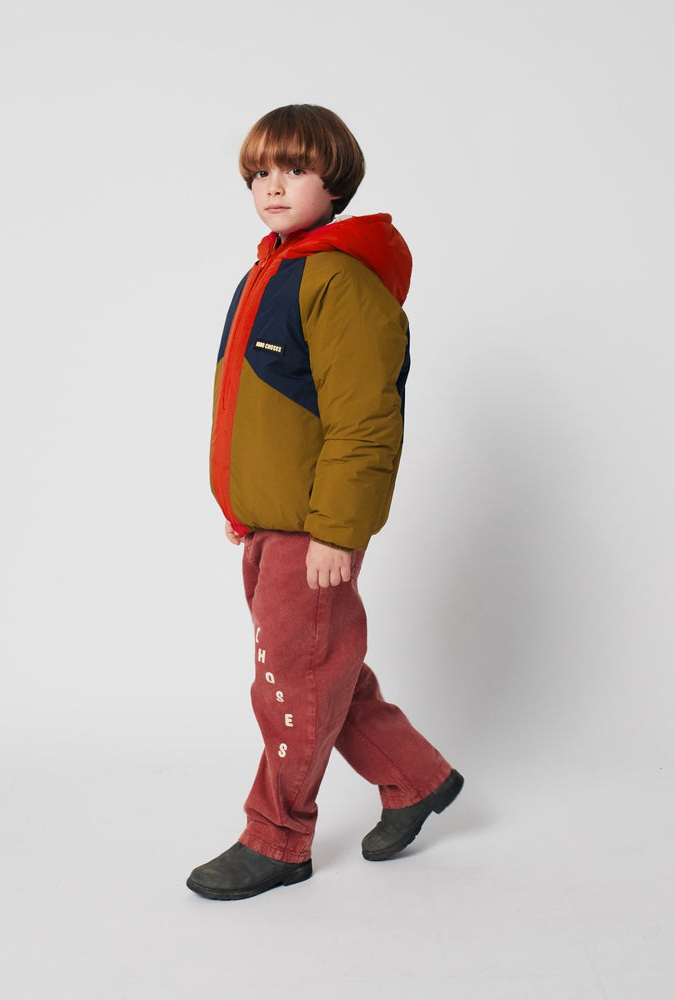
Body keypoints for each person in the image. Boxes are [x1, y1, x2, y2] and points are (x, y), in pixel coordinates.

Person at [187, 104, 462, 901]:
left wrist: (337, 533)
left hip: (314, 530)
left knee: (292, 681)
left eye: (295, 170)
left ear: (335, 182)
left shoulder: (340, 282)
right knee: (323, 666)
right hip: (268, 525)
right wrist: (244, 504)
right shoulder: (269, 272)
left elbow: (365, 422)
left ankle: (277, 838)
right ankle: (417, 777)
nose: (273, 186)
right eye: (259, 173)